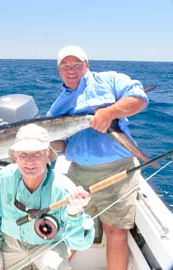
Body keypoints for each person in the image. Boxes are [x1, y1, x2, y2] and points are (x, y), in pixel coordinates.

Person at [46, 45, 149, 270]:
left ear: (87, 65)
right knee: (69, 229)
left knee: (115, 230)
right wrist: (45, 142)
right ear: (59, 71)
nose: (71, 70)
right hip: (78, 172)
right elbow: (62, 146)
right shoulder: (57, 107)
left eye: (76, 64)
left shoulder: (110, 80)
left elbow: (140, 98)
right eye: (65, 66)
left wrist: (109, 113)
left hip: (118, 171)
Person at [0, 124, 95, 270]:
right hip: (10, 243)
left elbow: (81, 244)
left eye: (36, 154)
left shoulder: (64, 189)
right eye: (23, 154)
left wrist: (74, 212)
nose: (29, 161)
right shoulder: (3, 179)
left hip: (49, 246)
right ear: (15, 157)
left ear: (48, 156)